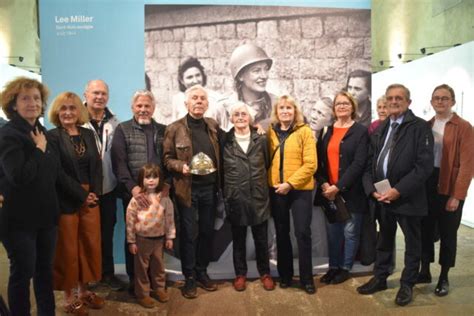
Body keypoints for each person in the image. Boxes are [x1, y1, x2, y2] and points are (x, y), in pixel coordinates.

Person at [0, 77, 82, 315]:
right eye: (25, 98)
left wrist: (82, 195)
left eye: (36, 98)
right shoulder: (9, 135)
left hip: (46, 218)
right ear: (13, 104)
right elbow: (18, 176)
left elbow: (55, 173)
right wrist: (38, 149)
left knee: (44, 273)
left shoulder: (41, 131)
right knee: (22, 274)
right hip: (18, 221)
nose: (32, 103)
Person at [358, 84, 434, 306]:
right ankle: (380, 277)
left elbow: (423, 166)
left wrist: (398, 190)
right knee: (384, 240)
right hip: (382, 197)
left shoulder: (419, 128)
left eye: (398, 98)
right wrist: (371, 189)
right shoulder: (381, 128)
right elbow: (369, 163)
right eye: (390, 98)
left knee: (412, 243)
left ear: (408, 102)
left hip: (407, 197)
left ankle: (407, 284)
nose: (393, 101)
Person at [163, 84, 223, 299]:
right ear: (186, 103)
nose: (199, 101)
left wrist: (255, 129)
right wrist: (182, 167)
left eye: (202, 98)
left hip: (210, 189)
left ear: (207, 104)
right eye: (194, 98)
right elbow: (167, 159)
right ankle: (189, 277)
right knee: (189, 234)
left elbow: (233, 138)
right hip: (186, 191)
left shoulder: (213, 126)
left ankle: (202, 272)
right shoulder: (174, 128)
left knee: (207, 232)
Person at [48, 92, 105, 314]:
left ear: (79, 111)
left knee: (89, 245)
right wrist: (82, 196)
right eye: (63, 109)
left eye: (72, 108)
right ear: (57, 112)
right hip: (66, 198)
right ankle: (69, 298)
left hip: (90, 197)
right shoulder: (52, 136)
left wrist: (95, 193)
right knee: (68, 248)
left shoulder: (88, 134)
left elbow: (97, 167)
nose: (68, 112)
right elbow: (57, 173)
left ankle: (84, 291)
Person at [418, 84, 473, 296]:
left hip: (449, 185)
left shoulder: (464, 127)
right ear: (431, 102)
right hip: (428, 185)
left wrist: (457, 196)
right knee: (425, 229)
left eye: (444, 98)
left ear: (452, 101)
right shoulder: (427, 125)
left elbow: (468, 165)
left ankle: (444, 277)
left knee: (448, 234)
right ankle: (424, 270)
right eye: (436, 98)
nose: (440, 102)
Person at [111, 89, 167, 294]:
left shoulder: (163, 130)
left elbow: (167, 160)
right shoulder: (123, 130)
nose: (143, 110)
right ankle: (136, 282)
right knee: (134, 239)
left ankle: (155, 281)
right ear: (132, 108)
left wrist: (166, 187)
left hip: (158, 197)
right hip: (133, 195)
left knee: (157, 239)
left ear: (153, 108)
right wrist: (133, 188)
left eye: (147, 106)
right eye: (139, 106)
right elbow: (119, 163)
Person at [315, 91, 368, 284]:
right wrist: (325, 184)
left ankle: (345, 268)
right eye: (338, 104)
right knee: (333, 233)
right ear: (334, 108)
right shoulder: (326, 131)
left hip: (351, 192)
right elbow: (319, 162)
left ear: (352, 107)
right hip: (329, 193)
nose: (342, 106)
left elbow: (359, 163)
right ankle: (333, 267)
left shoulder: (361, 131)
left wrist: (338, 186)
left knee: (350, 232)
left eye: (346, 103)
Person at [223, 101, 275, 292]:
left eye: (244, 114)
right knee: (238, 240)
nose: (240, 117)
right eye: (236, 114)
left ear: (250, 118)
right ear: (231, 118)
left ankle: (265, 273)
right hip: (235, 198)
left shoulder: (261, 139)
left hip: (258, 197)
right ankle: (240, 274)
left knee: (261, 239)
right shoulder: (225, 140)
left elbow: (268, 163)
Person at [268, 95, 317, 294]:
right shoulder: (270, 132)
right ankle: (285, 275)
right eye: (282, 108)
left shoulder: (305, 131)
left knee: (302, 233)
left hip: (300, 191)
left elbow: (311, 164)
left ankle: (307, 279)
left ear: (295, 111)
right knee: (281, 233)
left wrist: (290, 183)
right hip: (277, 190)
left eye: (289, 108)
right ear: (276, 112)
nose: (285, 111)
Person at [82, 79, 123, 290]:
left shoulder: (114, 122)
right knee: (86, 235)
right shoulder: (75, 120)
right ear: (86, 94)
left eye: (103, 94)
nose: (99, 97)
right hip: (83, 190)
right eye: (95, 93)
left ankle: (107, 273)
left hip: (107, 188)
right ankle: (88, 276)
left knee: (107, 232)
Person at [126, 164, 175, 308]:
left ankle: (159, 289)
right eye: (148, 177)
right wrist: (131, 241)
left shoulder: (164, 198)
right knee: (141, 269)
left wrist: (170, 237)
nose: (151, 180)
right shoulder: (137, 200)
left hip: (159, 240)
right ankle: (142, 294)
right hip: (142, 240)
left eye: (155, 177)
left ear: (160, 179)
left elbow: (169, 219)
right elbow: (130, 220)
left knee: (158, 267)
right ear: (142, 179)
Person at [219, 43, 277, 131]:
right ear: (240, 76)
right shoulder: (223, 109)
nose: (264, 76)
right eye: (256, 71)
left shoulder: (277, 104)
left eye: (266, 69)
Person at [171, 57, 228, 129]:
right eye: (189, 77)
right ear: (182, 80)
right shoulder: (178, 99)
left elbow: (224, 127)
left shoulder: (217, 98)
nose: (195, 80)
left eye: (198, 75)